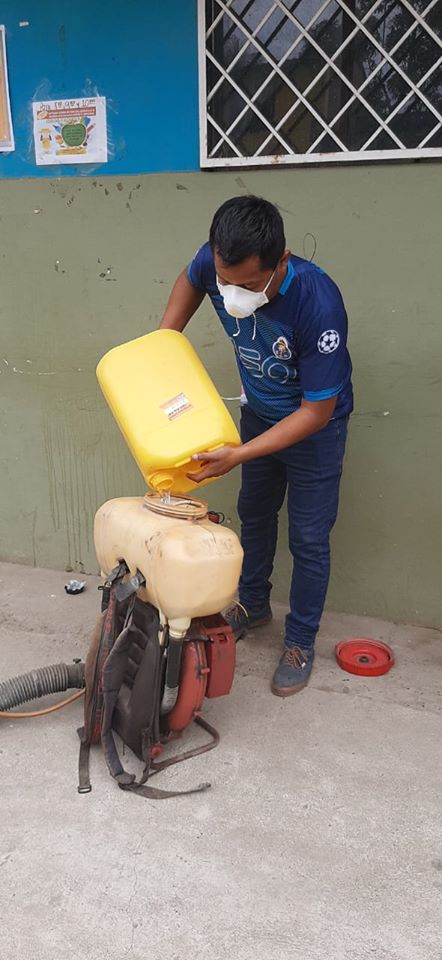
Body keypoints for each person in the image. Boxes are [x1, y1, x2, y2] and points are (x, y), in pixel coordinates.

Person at [161, 196, 352, 697]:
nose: (232, 294)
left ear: (280, 261)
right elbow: (192, 278)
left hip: (314, 431)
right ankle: (252, 604)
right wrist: (164, 341)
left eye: (247, 285)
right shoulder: (216, 260)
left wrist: (238, 455)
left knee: (308, 538)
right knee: (255, 514)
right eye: (225, 281)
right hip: (259, 413)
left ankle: (300, 641)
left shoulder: (318, 303)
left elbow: (317, 412)